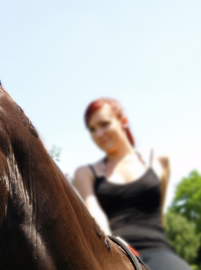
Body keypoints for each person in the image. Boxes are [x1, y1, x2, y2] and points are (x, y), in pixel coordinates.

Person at [73, 97, 191, 270]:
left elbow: (159, 214)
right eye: (92, 129)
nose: (99, 134)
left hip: (160, 253)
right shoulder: (85, 173)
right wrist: (115, 248)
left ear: (123, 121)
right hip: (115, 253)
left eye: (104, 124)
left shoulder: (158, 160)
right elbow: (95, 215)